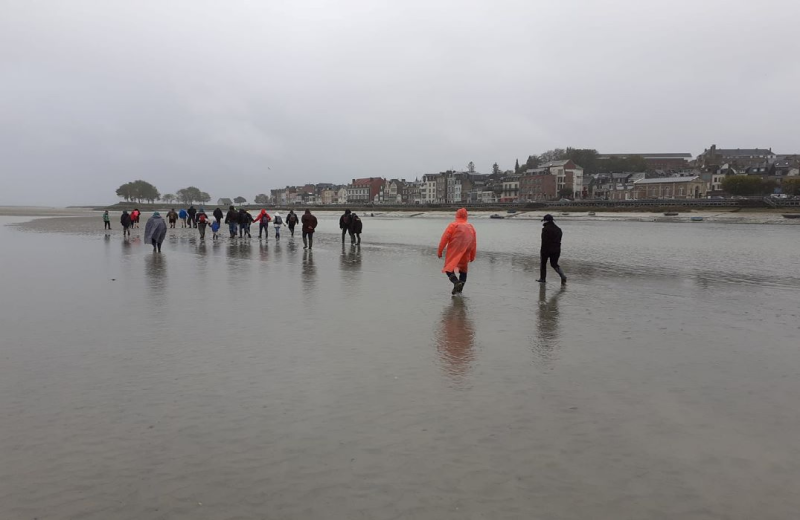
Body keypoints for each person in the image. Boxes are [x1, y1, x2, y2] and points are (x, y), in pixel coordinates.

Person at [437, 208, 477, 295]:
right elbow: (474, 242)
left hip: (455, 249)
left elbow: (444, 238)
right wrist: (472, 255)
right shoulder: (471, 227)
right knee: (463, 270)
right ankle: (460, 289)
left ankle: (456, 282)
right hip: (466, 249)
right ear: (466, 216)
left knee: (448, 268)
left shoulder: (453, 225)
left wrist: (440, 251)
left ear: (457, 215)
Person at [536, 214, 567, 284]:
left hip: (546, 249)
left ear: (545, 221)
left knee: (543, 264)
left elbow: (544, 241)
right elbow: (559, 239)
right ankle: (562, 275)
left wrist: (542, 251)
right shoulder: (559, 229)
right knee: (554, 264)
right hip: (557, 249)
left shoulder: (545, 229)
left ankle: (542, 279)